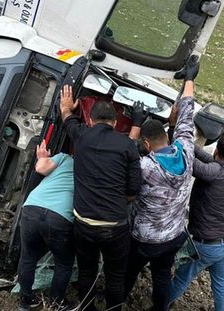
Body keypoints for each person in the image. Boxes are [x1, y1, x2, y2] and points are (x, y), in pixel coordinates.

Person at [124, 56, 199, 311]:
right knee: (161, 277)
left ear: (146, 145)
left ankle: (117, 301)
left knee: (128, 271)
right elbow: (188, 117)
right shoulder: (186, 153)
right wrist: (189, 79)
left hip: (143, 238)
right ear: (167, 136)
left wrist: (134, 124)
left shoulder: (145, 167)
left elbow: (122, 159)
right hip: (173, 236)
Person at [60, 85, 142, 311]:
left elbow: (67, 119)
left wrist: (67, 107)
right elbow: (134, 188)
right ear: (115, 124)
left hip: (84, 224)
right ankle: (114, 308)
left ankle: (86, 308)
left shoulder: (81, 135)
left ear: (92, 121)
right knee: (116, 275)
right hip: (115, 227)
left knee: (87, 271)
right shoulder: (127, 146)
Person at [168, 131, 224, 311]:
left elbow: (189, 160)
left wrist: (175, 136)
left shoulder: (212, 172)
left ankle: (161, 305)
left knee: (181, 279)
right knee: (220, 285)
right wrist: (186, 142)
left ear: (217, 150)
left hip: (205, 244)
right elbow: (205, 157)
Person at [17, 141, 77, 311]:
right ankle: (57, 303)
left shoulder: (64, 158)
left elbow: (40, 169)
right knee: (64, 263)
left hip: (31, 208)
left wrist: (42, 157)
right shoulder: (94, 171)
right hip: (60, 216)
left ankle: (26, 299)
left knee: (27, 257)